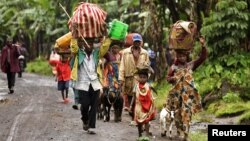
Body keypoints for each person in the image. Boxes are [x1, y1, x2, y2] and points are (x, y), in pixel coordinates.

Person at [166, 36, 208, 141]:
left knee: (187, 113)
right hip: (177, 96)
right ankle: (179, 131)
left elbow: (202, 57)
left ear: (186, 56)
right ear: (177, 57)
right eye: (179, 56)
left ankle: (186, 135)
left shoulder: (191, 65)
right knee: (177, 113)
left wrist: (203, 45)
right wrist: (173, 79)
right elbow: (168, 78)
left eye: (183, 56)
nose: (181, 58)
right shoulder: (173, 67)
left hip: (188, 96)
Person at [70, 31, 111, 134]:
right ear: (83, 44)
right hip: (82, 83)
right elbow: (73, 48)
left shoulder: (97, 53)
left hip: (95, 83)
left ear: (93, 45)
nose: (89, 45)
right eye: (87, 43)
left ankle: (91, 126)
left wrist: (107, 34)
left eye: (91, 43)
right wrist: (74, 35)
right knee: (85, 104)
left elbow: (105, 47)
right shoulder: (79, 53)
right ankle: (85, 119)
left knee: (94, 104)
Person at [119, 33, 150, 115]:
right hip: (129, 77)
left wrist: (147, 77)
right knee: (129, 95)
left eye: (138, 42)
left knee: (138, 96)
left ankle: (136, 114)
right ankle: (132, 113)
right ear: (133, 42)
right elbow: (122, 65)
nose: (137, 43)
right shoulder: (126, 52)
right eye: (135, 41)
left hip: (140, 78)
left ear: (141, 43)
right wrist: (121, 78)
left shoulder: (145, 53)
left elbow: (147, 66)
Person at [133, 65, 156, 137]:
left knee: (146, 121)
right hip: (139, 106)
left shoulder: (148, 85)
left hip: (147, 106)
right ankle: (140, 134)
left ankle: (146, 134)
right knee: (139, 121)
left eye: (144, 77)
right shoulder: (136, 86)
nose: (142, 79)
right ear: (138, 78)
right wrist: (131, 106)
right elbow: (134, 95)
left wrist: (150, 68)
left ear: (147, 78)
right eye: (141, 77)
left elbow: (151, 96)